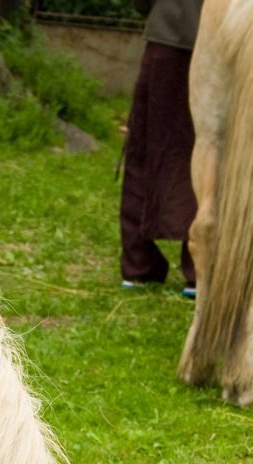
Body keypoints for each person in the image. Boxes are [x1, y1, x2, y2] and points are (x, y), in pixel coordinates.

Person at [119, 0, 204, 296]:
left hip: (170, 33)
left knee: (146, 149)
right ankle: (197, 269)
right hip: (226, 40)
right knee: (207, 153)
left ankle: (138, 264)